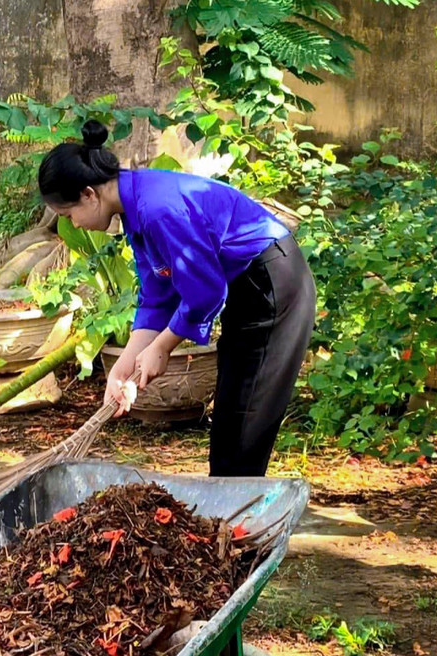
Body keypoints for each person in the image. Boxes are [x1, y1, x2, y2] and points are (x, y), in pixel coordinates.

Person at [38, 120, 316, 477]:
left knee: (244, 425)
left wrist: (163, 347)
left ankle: (239, 521)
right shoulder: (135, 207)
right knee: (232, 423)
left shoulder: (157, 208)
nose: (73, 224)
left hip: (274, 285)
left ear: (90, 194)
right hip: (251, 287)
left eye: (68, 214)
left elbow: (206, 291)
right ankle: (229, 511)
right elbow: (158, 295)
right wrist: (128, 360)